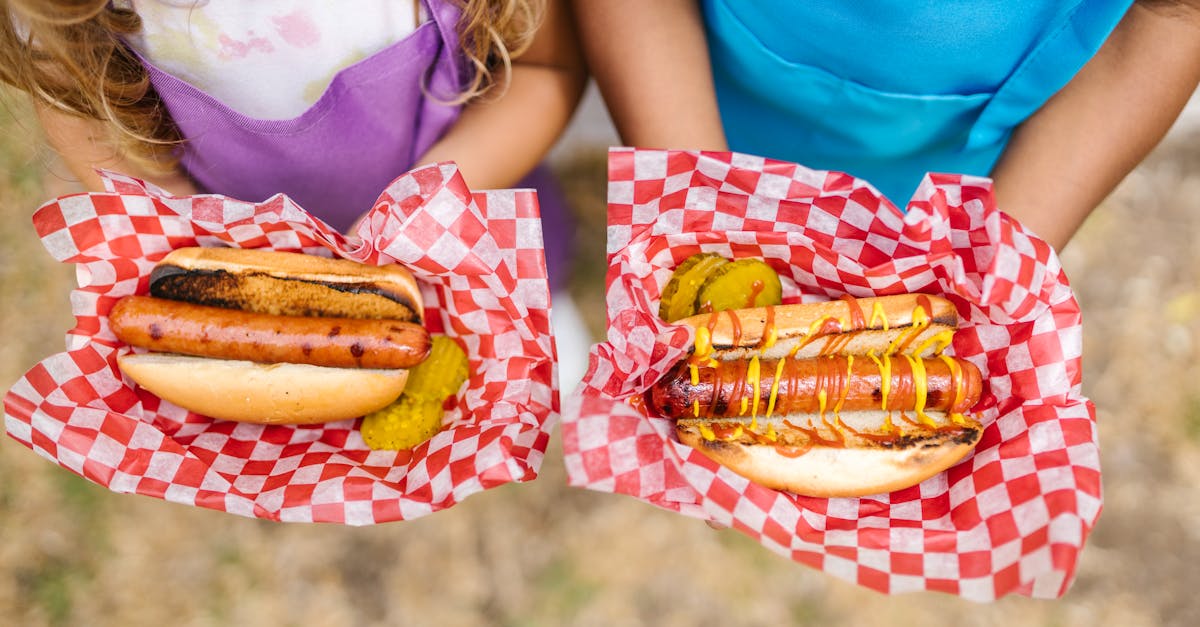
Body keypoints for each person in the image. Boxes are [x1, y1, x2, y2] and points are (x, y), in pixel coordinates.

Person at [0, 0, 593, 390]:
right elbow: (78, 111)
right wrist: (188, 230)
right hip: (235, 243)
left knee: (528, 271)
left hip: (462, 196)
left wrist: (418, 209)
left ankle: (541, 323)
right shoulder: (66, 12)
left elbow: (545, 71)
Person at [574, 0, 1200, 252]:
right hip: (703, 85)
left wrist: (994, 259)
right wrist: (704, 209)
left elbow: (1172, 14)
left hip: (973, 159)